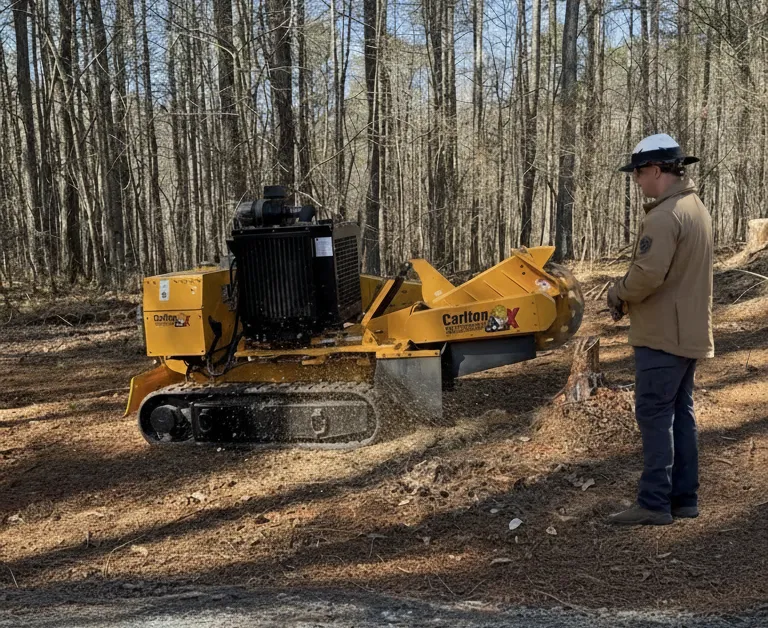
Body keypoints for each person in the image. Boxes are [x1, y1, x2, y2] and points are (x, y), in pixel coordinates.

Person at [607, 133, 714, 526]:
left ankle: (653, 502)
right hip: (688, 333)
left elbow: (647, 275)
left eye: (638, 173)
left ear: (655, 170)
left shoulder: (664, 216)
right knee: (680, 415)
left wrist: (618, 292)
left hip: (662, 336)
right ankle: (684, 498)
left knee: (654, 415)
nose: (636, 181)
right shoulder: (694, 207)